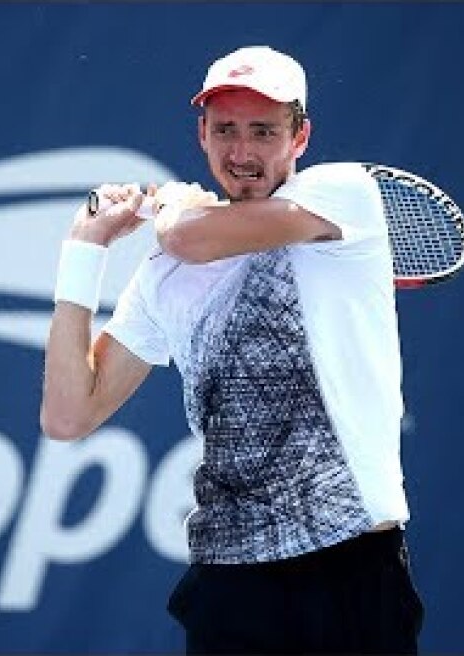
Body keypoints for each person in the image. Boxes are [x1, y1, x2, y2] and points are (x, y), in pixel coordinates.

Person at [40, 45, 425, 654]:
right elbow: (67, 415)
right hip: (231, 582)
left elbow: (189, 236)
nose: (241, 153)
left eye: (263, 131)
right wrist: (83, 251)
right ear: (202, 133)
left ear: (300, 137)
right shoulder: (163, 272)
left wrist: (170, 204)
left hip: (352, 569)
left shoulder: (341, 193)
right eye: (225, 131)